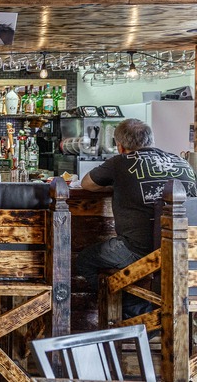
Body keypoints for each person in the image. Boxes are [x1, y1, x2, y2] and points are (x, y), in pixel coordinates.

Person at [75, 118, 197, 319]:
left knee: (86, 260)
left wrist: (116, 186)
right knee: (140, 271)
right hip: (188, 255)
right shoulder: (181, 161)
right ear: (152, 141)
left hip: (142, 252)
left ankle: (138, 318)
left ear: (120, 147)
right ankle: (147, 318)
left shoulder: (120, 162)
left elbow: (87, 184)